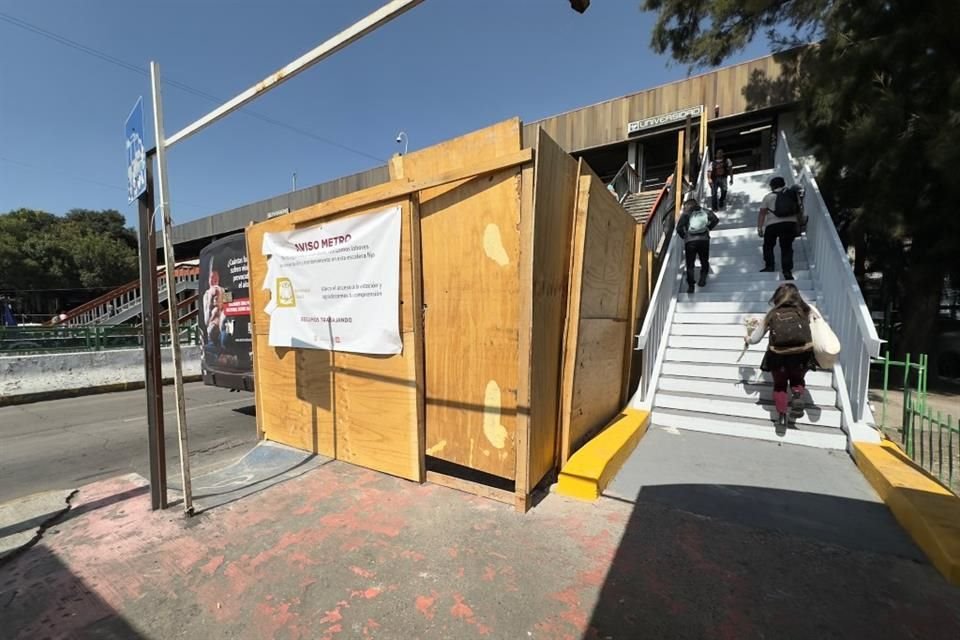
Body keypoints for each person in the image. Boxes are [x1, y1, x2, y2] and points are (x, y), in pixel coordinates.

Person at [744, 283, 819, 428]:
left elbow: (755, 339)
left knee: (780, 386)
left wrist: (748, 339)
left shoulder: (772, 314)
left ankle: (782, 416)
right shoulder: (806, 310)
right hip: (802, 356)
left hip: (778, 358)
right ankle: (797, 394)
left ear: (777, 297)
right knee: (797, 380)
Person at [758, 176, 803, 280]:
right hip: (789, 223)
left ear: (772, 186)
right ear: (783, 184)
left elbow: (762, 213)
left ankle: (769, 266)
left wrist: (760, 228)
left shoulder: (768, 197)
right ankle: (787, 271)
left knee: (768, 245)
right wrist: (799, 224)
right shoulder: (792, 195)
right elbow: (799, 209)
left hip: (772, 225)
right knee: (786, 248)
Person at [676, 196, 719, 294]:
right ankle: (702, 278)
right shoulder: (705, 211)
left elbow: (679, 228)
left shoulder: (686, 213)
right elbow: (716, 219)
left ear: (687, 206)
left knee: (690, 264)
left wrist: (685, 236)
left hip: (690, 241)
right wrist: (708, 228)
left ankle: (691, 285)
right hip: (704, 239)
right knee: (704, 260)